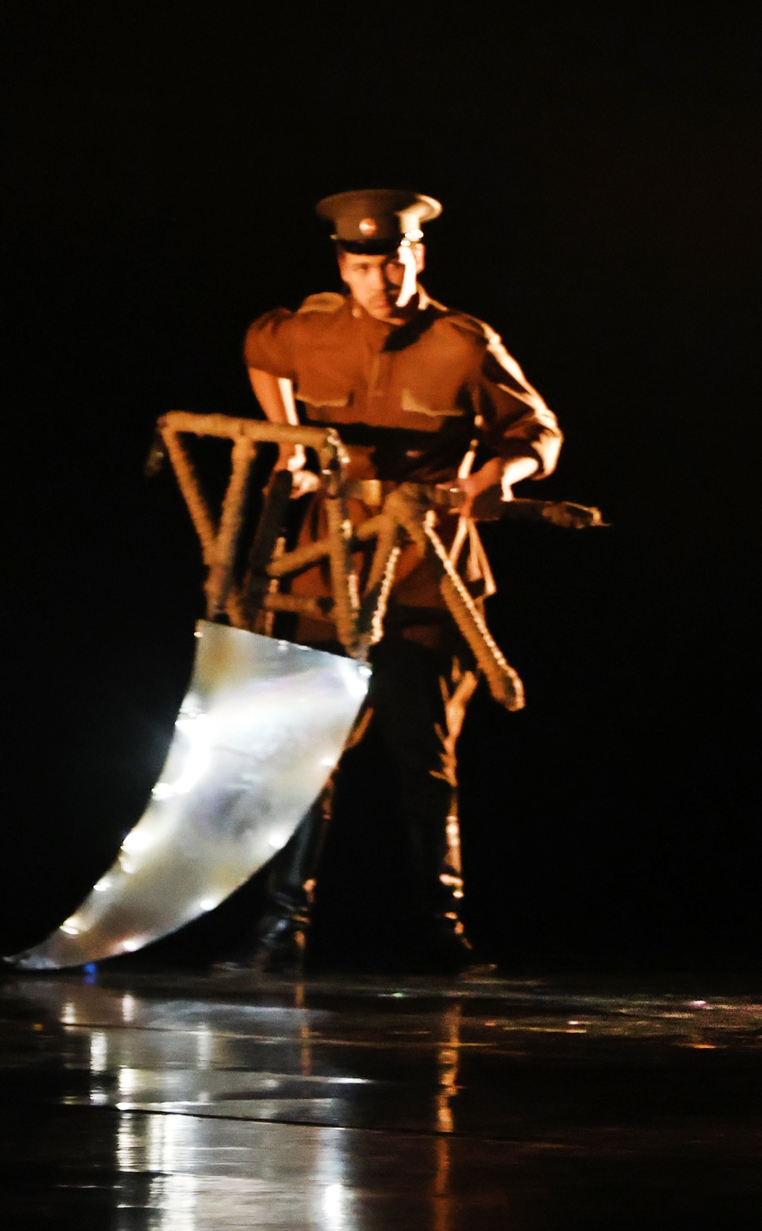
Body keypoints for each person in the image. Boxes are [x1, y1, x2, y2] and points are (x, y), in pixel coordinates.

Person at [226, 190, 562, 975]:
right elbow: (259, 349)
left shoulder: (461, 342)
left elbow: (538, 432)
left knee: (425, 761)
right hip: (328, 573)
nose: (384, 281)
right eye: (365, 267)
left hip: (423, 579)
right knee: (303, 756)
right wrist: (291, 446)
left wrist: (498, 475)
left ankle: (443, 931)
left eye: (397, 262)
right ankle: (280, 931)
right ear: (343, 268)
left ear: (419, 256)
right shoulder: (311, 330)